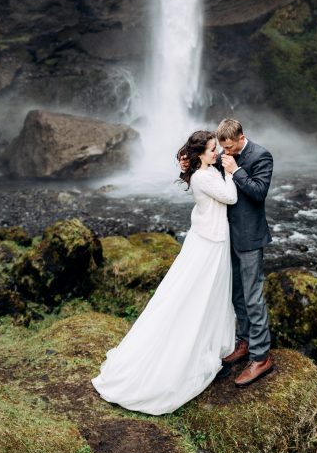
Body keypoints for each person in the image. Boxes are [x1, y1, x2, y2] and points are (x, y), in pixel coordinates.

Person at [91, 130, 237, 415]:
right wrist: (231, 173)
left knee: (199, 293)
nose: (216, 153)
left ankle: (206, 342)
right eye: (211, 150)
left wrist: (216, 163)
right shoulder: (203, 176)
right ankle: (190, 350)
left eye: (215, 149)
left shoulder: (201, 171)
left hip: (207, 238)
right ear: (200, 155)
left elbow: (212, 171)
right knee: (198, 295)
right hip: (210, 242)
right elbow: (230, 198)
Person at [215, 118, 275, 386]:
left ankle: (261, 357)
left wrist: (237, 170)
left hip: (250, 237)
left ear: (242, 137)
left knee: (253, 296)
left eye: (230, 146)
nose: (226, 152)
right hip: (227, 236)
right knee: (237, 293)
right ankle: (246, 341)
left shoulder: (261, 155)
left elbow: (259, 193)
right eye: (222, 147)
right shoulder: (224, 155)